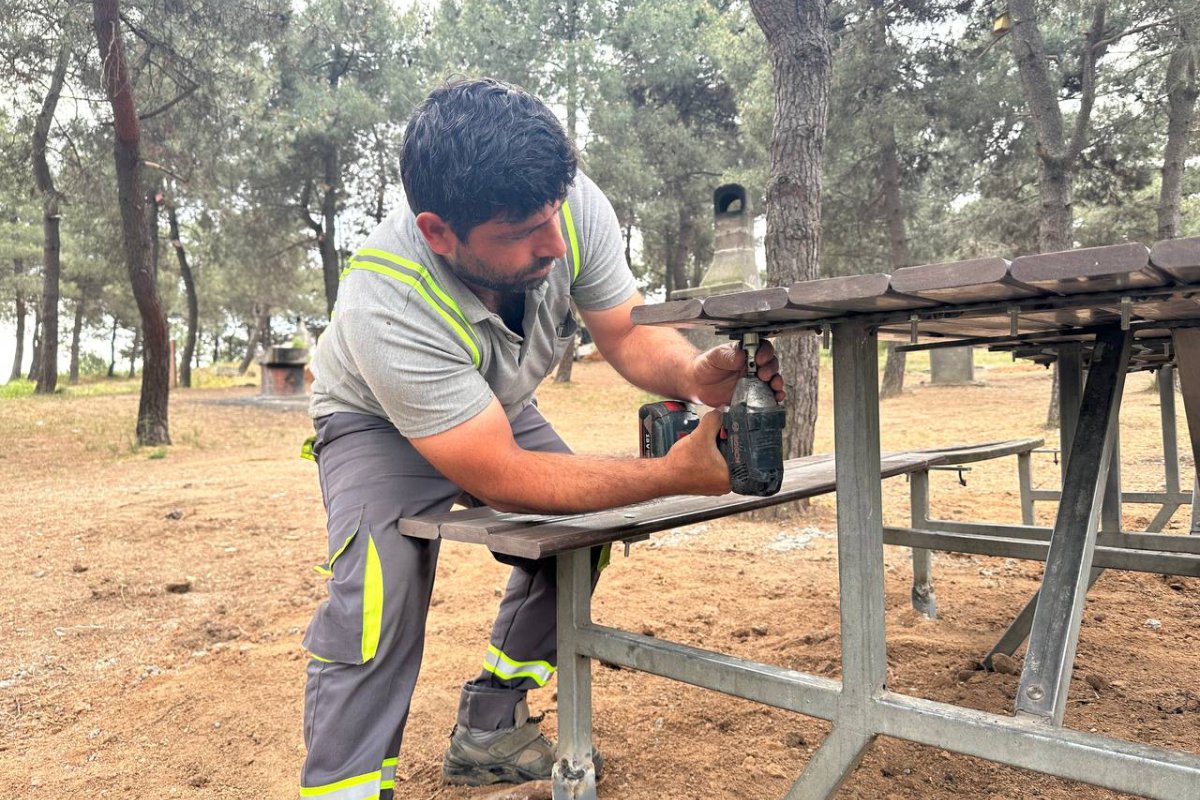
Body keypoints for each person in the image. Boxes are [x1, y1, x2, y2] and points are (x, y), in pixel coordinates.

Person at [298, 77, 783, 799]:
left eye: (555, 215)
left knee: (582, 534)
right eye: (522, 232)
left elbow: (622, 329)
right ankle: (345, 789)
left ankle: (490, 730)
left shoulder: (562, 200)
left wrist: (693, 373)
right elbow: (501, 474)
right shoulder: (385, 296)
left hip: (488, 400)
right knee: (380, 594)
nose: (555, 243)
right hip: (375, 418)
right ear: (438, 232)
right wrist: (669, 476)